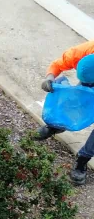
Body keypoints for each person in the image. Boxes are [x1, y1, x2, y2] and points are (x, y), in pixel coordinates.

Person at [35, 41, 94, 185]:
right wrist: (50, 77)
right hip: (90, 77)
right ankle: (57, 126)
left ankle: (82, 159)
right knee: (75, 100)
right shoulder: (84, 51)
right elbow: (57, 64)